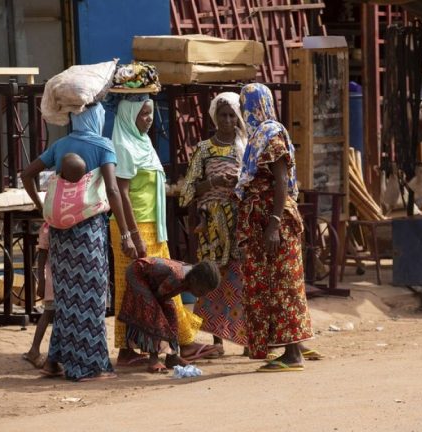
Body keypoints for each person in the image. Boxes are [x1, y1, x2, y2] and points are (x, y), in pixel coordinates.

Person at [22, 103, 135, 382]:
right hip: (88, 235)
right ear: (96, 118)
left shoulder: (60, 145)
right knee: (91, 299)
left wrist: (41, 207)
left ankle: (54, 362)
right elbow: (112, 190)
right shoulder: (103, 146)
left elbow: (26, 173)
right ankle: (89, 367)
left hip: (60, 236)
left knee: (66, 300)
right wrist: (126, 234)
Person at [110, 94, 221, 366]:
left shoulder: (144, 142)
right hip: (136, 226)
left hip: (153, 225)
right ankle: (130, 348)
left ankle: (178, 342)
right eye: (143, 114)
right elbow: (121, 193)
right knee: (133, 287)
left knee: (165, 285)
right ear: (129, 115)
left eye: (150, 113)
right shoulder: (123, 145)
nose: (149, 119)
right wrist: (131, 235)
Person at [235, 83, 314, 372]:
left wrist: (274, 224)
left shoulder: (270, 135)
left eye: (244, 105)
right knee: (274, 284)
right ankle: (293, 345)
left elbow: (281, 180)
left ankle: (293, 354)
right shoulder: (259, 136)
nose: (243, 111)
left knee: (283, 285)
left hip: (273, 221)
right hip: (264, 221)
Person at [180, 91, 248, 350]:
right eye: (223, 115)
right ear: (214, 117)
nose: (228, 120)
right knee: (213, 277)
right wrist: (213, 182)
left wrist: (238, 184)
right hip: (211, 224)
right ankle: (216, 340)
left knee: (241, 278)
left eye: (232, 115)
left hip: (239, 221)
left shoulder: (246, 147)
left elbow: (255, 182)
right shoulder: (204, 150)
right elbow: (187, 191)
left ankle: (245, 339)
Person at [118, 258, 221, 374]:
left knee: (172, 314)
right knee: (153, 312)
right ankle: (153, 359)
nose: (202, 295)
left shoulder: (189, 277)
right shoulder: (177, 277)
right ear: (194, 280)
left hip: (155, 284)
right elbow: (158, 299)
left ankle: (172, 357)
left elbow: (164, 296)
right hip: (136, 273)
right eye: (202, 291)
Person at [21, 223, 55, 369]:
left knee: (50, 313)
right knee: (49, 312)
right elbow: (42, 255)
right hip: (52, 279)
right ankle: (34, 350)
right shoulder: (47, 228)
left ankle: (35, 350)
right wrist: (41, 280)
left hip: (56, 278)